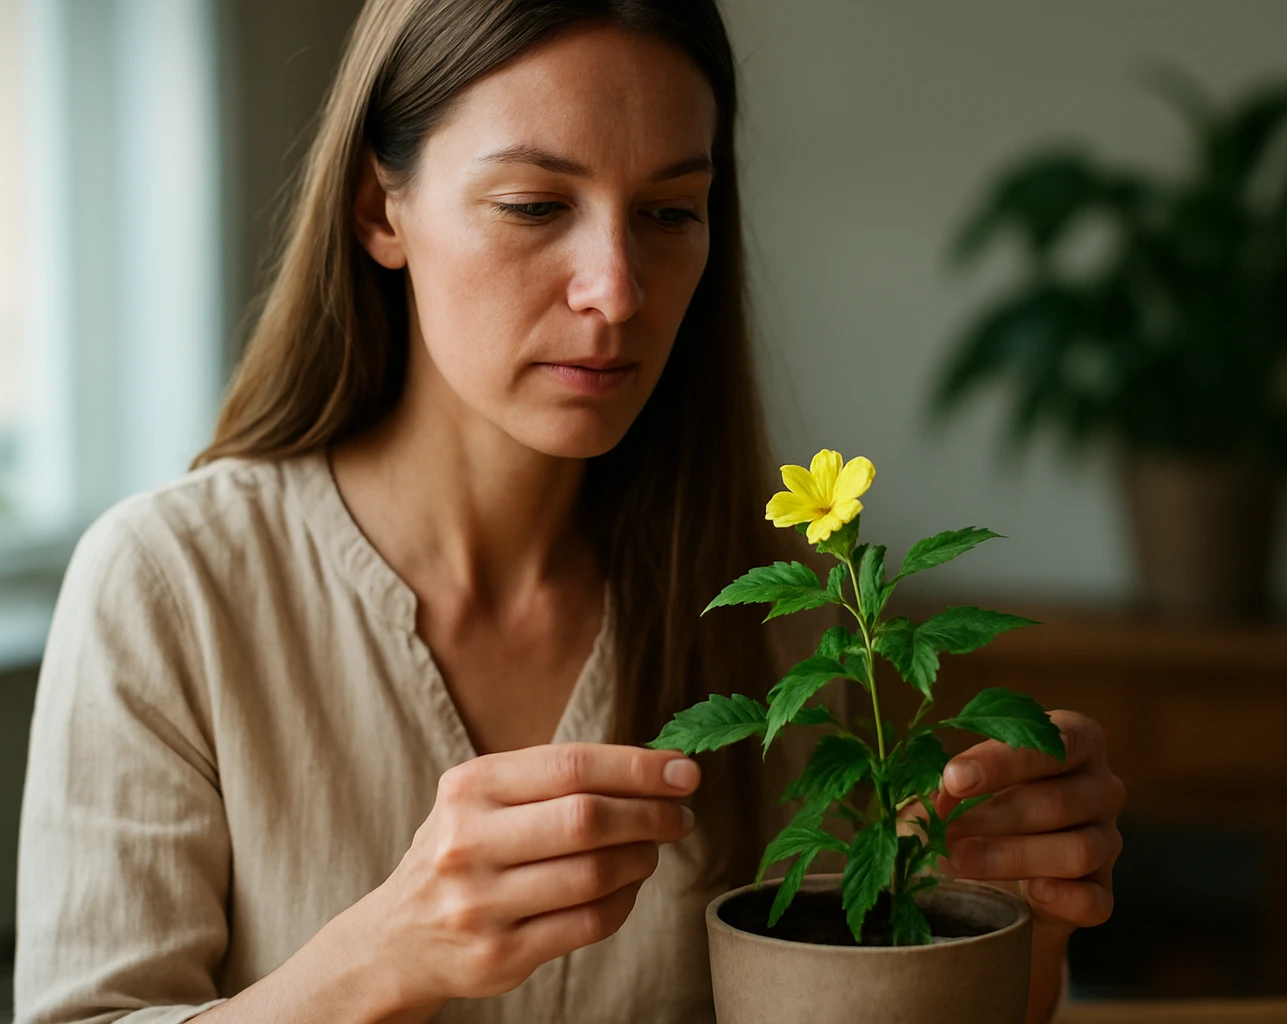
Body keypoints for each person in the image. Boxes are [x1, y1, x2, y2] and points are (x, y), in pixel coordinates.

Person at [14, 1, 1125, 1021]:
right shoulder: (167, 588)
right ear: (378, 209)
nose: (618, 289)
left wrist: (1006, 918)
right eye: (535, 205)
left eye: (670, 212)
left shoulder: (777, 609)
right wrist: (378, 960)